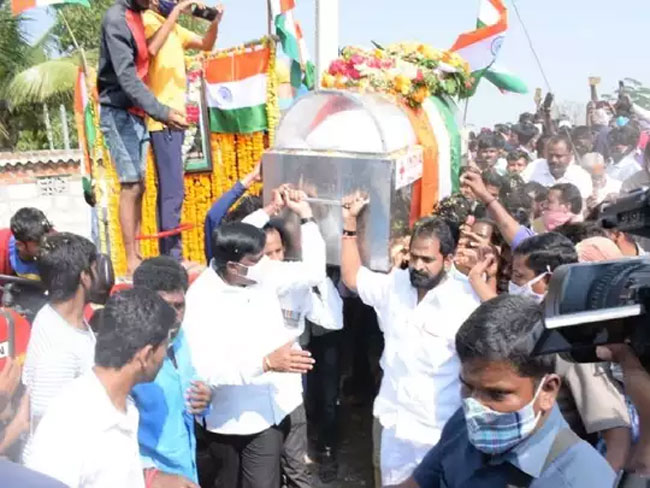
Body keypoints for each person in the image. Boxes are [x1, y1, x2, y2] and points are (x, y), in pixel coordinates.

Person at [398, 295, 616, 488]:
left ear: (547, 390)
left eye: (497, 394)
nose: (476, 408)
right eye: (468, 387)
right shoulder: (463, 426)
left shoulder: (582, 479)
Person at [184, 192, 325, 488]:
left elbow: (313, 272)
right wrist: (265, 363)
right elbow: (206, 370)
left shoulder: (261, 273)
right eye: (256, 260)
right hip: (226, 420)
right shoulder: (201, 299)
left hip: (268, 415)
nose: (265, 264)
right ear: (233, 267)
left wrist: (304, 217)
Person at [340, 192, 481, 487]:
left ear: (448, 259)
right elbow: (353, 278)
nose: (417, 265)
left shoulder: (466, 299)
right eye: (414, 256)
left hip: (439, 431)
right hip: (394, 424)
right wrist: (349, 226)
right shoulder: (396, 284)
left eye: (427, 259)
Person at [25, 288, 177, 488]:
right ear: (146, 355)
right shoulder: (70, 422)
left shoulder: (126, 407)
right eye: (166, 346)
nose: (165, 356)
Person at [98, 0, 188, 275]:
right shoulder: (116, 19)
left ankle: (137, 255)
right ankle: (131, 260)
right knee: (130, 184)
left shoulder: (139, 15)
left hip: (137, 112)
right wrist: (162, 112)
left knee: (140, 186)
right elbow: (127, 78)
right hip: (118, 110)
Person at [143, 0, 224, 260]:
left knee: (173, 189)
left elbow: (206, 44)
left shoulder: (176, 29)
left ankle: (170, 254)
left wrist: (214, 23)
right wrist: (177, 12)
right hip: (162, 120)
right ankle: (172, 256)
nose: (177, 2)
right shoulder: (148, 21)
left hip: (176, 120)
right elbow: (151, 49)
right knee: (172, 190)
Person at [21, 233, 105, 464]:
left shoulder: (57, 317)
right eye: (95, 268)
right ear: (84, 276)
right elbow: (49, 430)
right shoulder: (60, 348)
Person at [131, 257, 212, 488]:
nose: (175, 316)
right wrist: (151, 478)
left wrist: (205, 399)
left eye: (180, 306)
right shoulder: (126, 358)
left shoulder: (181, 340)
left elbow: (190, 390)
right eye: (166, 306)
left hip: (186, 472)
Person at [203, 162, 261, 262]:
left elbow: (213, 216)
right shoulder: (223, 259)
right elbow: (213, 216)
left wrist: (250, 178)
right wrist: (251, 178)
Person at [523, 135, 593, 199]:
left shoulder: (581, 177)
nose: (554, 160)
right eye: (550, 155)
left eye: (559, 156)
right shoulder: (533, 167)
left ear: (570, 155)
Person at [0, 207, 53, 279]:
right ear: (20, 245)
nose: (46, 245)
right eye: (39, 243)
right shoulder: (2, 249)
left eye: (47, 238)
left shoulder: (54, 241)